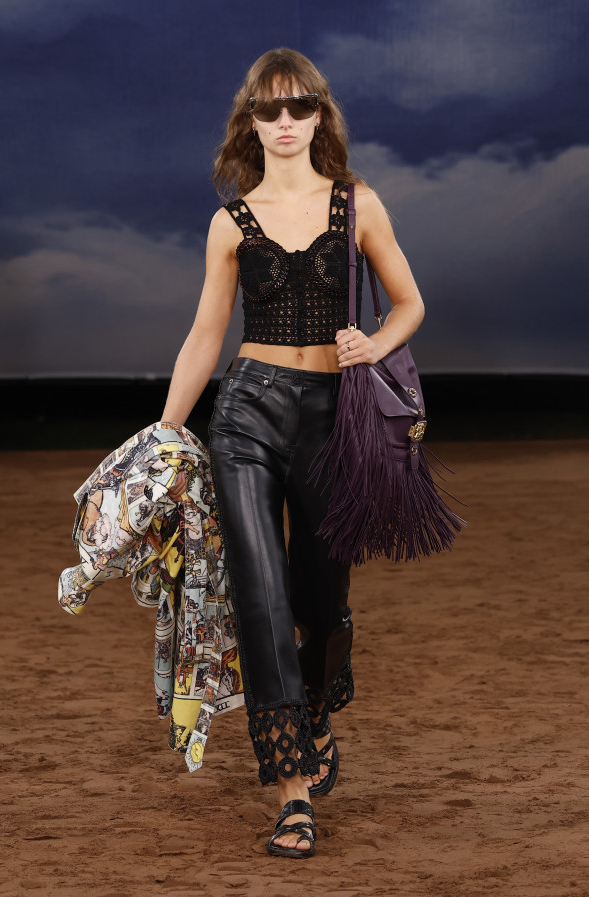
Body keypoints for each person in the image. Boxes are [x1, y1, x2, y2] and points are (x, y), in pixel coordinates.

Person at [161, 47, 425, 858]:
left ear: (319, 116)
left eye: (299, 107)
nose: (284, 121)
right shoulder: (230, 222)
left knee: (320, 596)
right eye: (269, 109)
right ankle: (292, 790)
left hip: (334, 419)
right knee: (262, 595)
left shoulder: (358, 204)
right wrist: (165, 433)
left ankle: (315, 705)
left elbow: (410, 304)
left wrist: (373, 343)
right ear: (251, 121)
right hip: (246, 414)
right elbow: (206, 335)